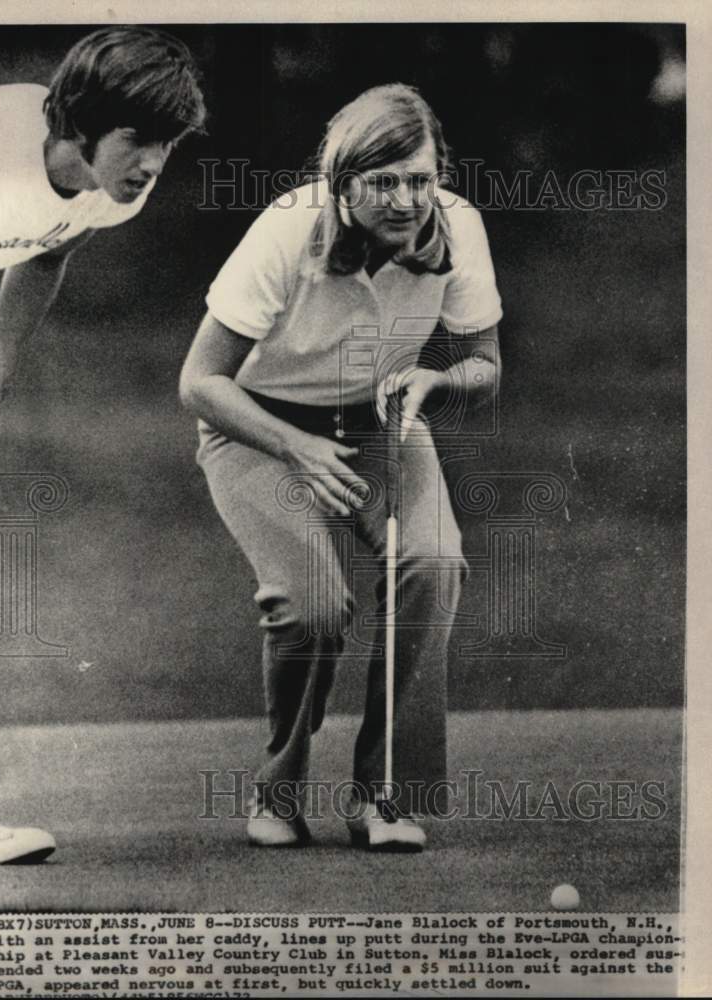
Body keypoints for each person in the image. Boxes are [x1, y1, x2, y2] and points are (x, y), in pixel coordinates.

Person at [179, 83, 503, 852]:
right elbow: (200, 381)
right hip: (259, 428)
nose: (403, 199)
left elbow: (486, 365)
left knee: (433, 561)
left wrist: (437, 381)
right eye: (382, 181)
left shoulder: (458, 229)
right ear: (343, 182)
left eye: (419, 179)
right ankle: (278, 789)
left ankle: (382, 796)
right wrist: (295, 448)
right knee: (313, 608)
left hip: (381, 422)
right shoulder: (287, 232)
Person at [0, 26, 206, 864]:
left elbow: (47, 253)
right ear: (77, 120)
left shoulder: (112, 191)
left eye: (165, 145)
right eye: (137, 137)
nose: (149, 163)